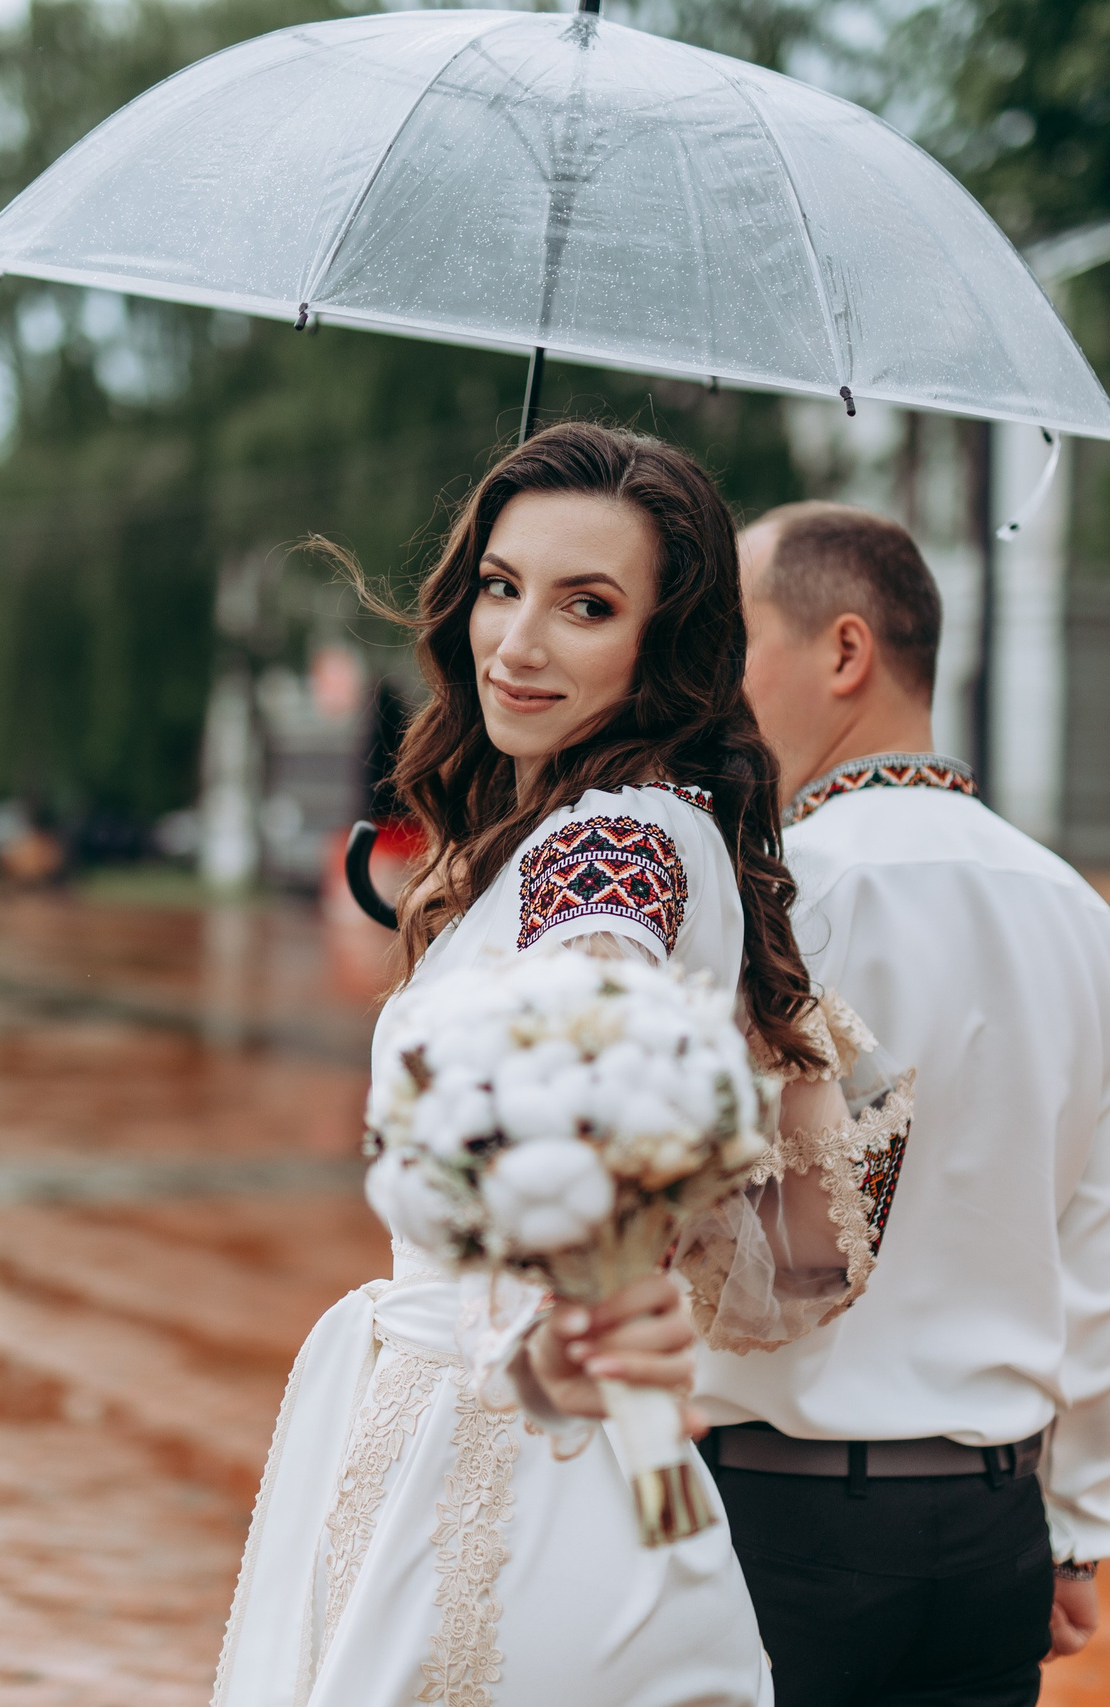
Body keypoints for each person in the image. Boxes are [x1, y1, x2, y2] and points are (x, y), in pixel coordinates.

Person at [212, 423, 829, 1707]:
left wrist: (550, 1335)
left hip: (498, 1452)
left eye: (586, 606)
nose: (518, 642)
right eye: (502, 586)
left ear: (665, 646)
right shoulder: (634, 824)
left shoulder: (607, 847)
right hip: (565, 1447)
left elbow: (586, 1039)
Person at [694, 501, 1110, 1707]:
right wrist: (1078, 1525)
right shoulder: (1075, 914)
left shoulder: (778, 896)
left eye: (728, 640)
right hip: (991, 1531)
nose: (708, 684)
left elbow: (690, 1215)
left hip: (779, 1526)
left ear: (843, 651)